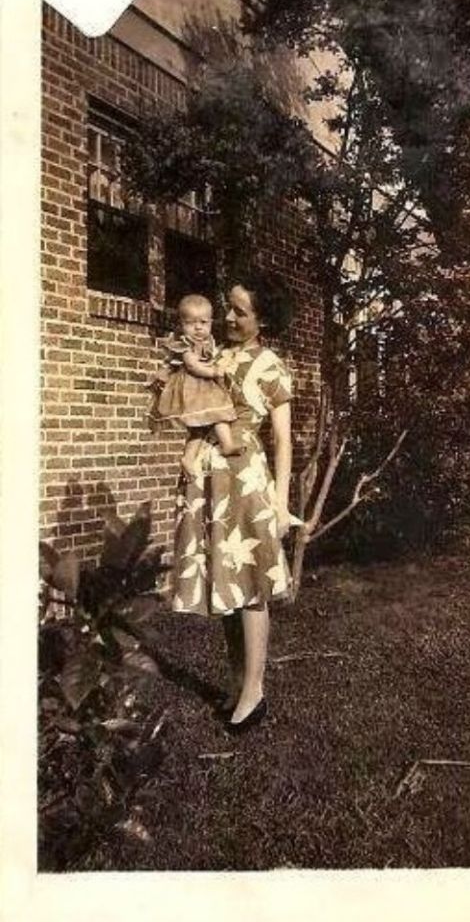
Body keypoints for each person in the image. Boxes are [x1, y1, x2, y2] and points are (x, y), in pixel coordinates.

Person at [170, 271, 298, 734]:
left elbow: (283, 440)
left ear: (263, 320)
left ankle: (255, 690)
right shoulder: (213, 354)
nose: (227, 317)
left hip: (245, 479)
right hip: (209, 476)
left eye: (239, 312)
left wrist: (281, 504)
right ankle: (237, 680)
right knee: (225, 584)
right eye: (227, 307)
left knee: (251, 584)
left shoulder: (271, 366)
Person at [149, 293, 243, 479]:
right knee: (218, 411)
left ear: (211, 323)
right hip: (193, 388)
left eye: (203, 322)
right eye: (191, 323)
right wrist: (213, 372)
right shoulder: (185, 344)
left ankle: (189, 457)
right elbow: (192, 365)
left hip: (203, 386)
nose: (198, 327)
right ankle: (226, 443)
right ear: (181, 325)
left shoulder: (208, 342)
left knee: (201, 427)